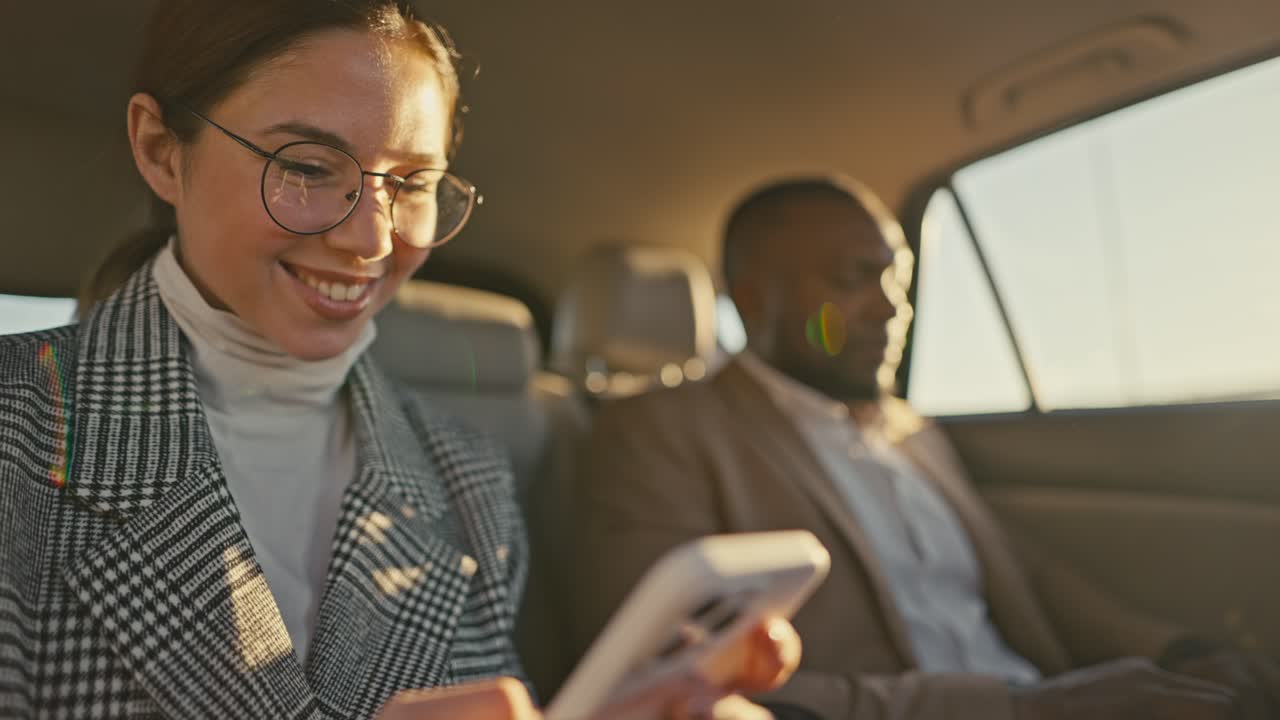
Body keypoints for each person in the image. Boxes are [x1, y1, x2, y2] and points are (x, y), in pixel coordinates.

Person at [0, 2, 801, 718]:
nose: (372, 242)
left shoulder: (470, 478)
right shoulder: (18, 427)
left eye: (413, 183)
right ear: (161, 151)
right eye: (308, 168)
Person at [569, 176, 1280, 720]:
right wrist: (1028, 708)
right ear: (755, 299)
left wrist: (1177, 651)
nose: (888, 307)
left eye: (896, 278)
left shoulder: (915, 434)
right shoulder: (661, 430)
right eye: (852, 280)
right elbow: (674, 676)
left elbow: (1030, 580)